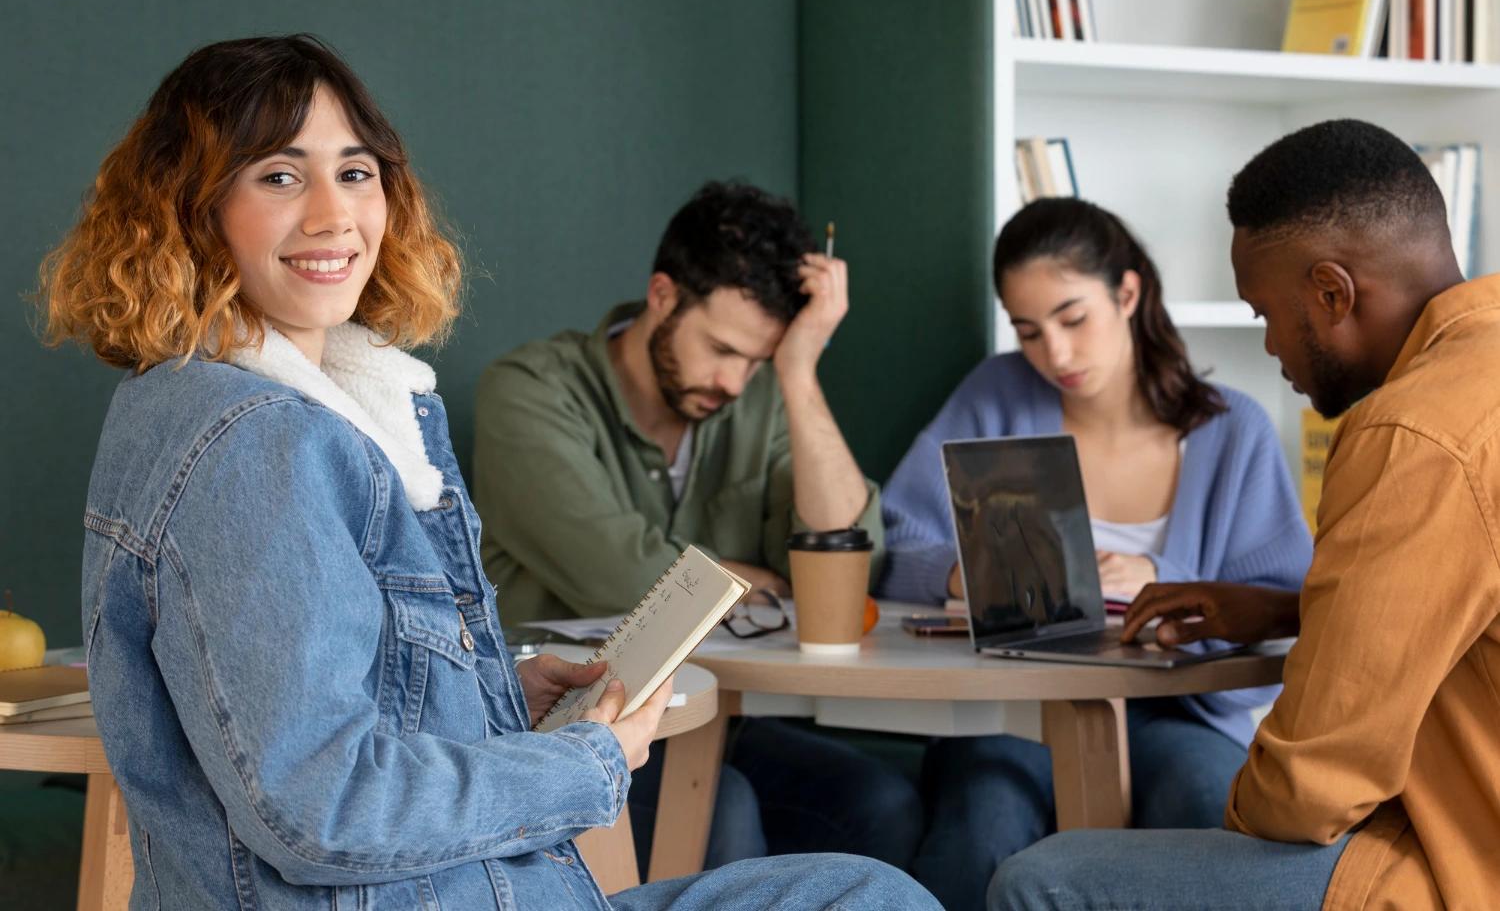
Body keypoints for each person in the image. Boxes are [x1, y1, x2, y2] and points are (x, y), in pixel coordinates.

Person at [38, 34, 938, 911]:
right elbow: (322, 807)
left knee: (862, 890)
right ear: (191, 206)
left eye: (355, 172)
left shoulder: (273, 406)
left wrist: (503, 686)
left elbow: (326, 694)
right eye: (279, 176)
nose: (331, 213)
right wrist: (581, 762)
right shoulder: (258, 440)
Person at [991, 119, 1500, 911]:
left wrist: (1218, 833)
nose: (1266, 346)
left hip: (1466, 869)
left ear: (1333, 292)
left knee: (1041, 878)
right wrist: (1298, 610)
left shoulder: (1412, 434)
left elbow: (1313, 784)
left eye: (1265, 313)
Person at [472, 180, 924, 872]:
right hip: (568, 727)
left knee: (879, 801)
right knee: (723, 804)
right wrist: (754, 579)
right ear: (662, 296)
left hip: (713, 720)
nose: (737, 382)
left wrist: (799, 374)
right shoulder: (530, 391)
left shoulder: (766, 396)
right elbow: (618, 577)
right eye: (721, 348)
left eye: (758, 359)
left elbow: (844, 561)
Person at [880, 197, 1311, 909]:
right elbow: (896, 545)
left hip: (1181, 713)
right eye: (1028, 331)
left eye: (1072, 319)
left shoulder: (1234, 431)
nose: (1055, 355)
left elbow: (1293, 611)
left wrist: (1165, 582)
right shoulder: (995, 397)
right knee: (983, 819)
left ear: (1128, 292)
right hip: (1012, 707)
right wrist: (968, 572)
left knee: (1210, 807)